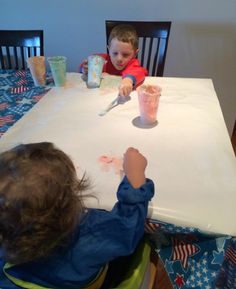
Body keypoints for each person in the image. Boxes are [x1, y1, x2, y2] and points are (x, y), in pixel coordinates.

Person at [0, 142, 154, 288]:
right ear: (68, 210)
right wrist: (136, 175)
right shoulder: (90, 235)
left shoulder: (8, 233)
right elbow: (128, 225)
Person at [80, 24, 148, 98]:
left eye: (125, 55)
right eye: (115, 53)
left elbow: (140, 71)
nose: (119, 59)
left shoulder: (133, 63)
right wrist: (85, 69)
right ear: (109, 50)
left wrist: (128, 80)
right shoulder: (101, 60)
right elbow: (85, 65)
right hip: (99, 96)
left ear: (135, 54)